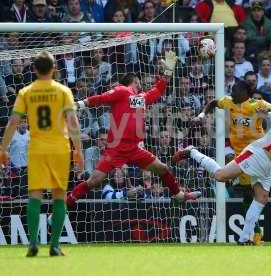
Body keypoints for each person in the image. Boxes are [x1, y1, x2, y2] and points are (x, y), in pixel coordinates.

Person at [67, 51, 200, 207]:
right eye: (139, 82)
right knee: (93, 181)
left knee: (163, 168)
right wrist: (78, 104)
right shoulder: (123, 91)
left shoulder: (139, 99)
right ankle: (66, 204)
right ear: (134, 81)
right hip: (116, 149)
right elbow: (101, 98)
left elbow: (158, 90)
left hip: (134, 149)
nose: (141, 85)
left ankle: (178, 195)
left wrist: (169, 70)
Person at [0, 51, 84, 256]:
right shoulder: (63, 91)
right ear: (54, 69)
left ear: (35, 69)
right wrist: (78, 151)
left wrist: (2, 148)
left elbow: (13, 122)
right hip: (59, 149)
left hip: (36, 148)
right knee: (59, 197)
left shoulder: (25, 92)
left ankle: (33, 244)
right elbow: (73, 122)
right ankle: (54, 245)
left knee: (34, 196)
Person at [173, 106, 271, 244]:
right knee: (220, 176)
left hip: (267, 162)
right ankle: (191, 151)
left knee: (262, 197)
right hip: (257, 154)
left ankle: (244, 239)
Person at [192, 80, 271, 245]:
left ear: (246, 92)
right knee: (248, 193)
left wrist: (267, 116)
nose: (232, 93)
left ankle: (253, 235)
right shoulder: (228, 102)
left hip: (256, 154)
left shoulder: (256, 104)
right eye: (231, 89)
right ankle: (253, 235)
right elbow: (212, 103)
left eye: (236, 90)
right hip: (241, 154)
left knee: (254, 192)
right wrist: (201, 115)